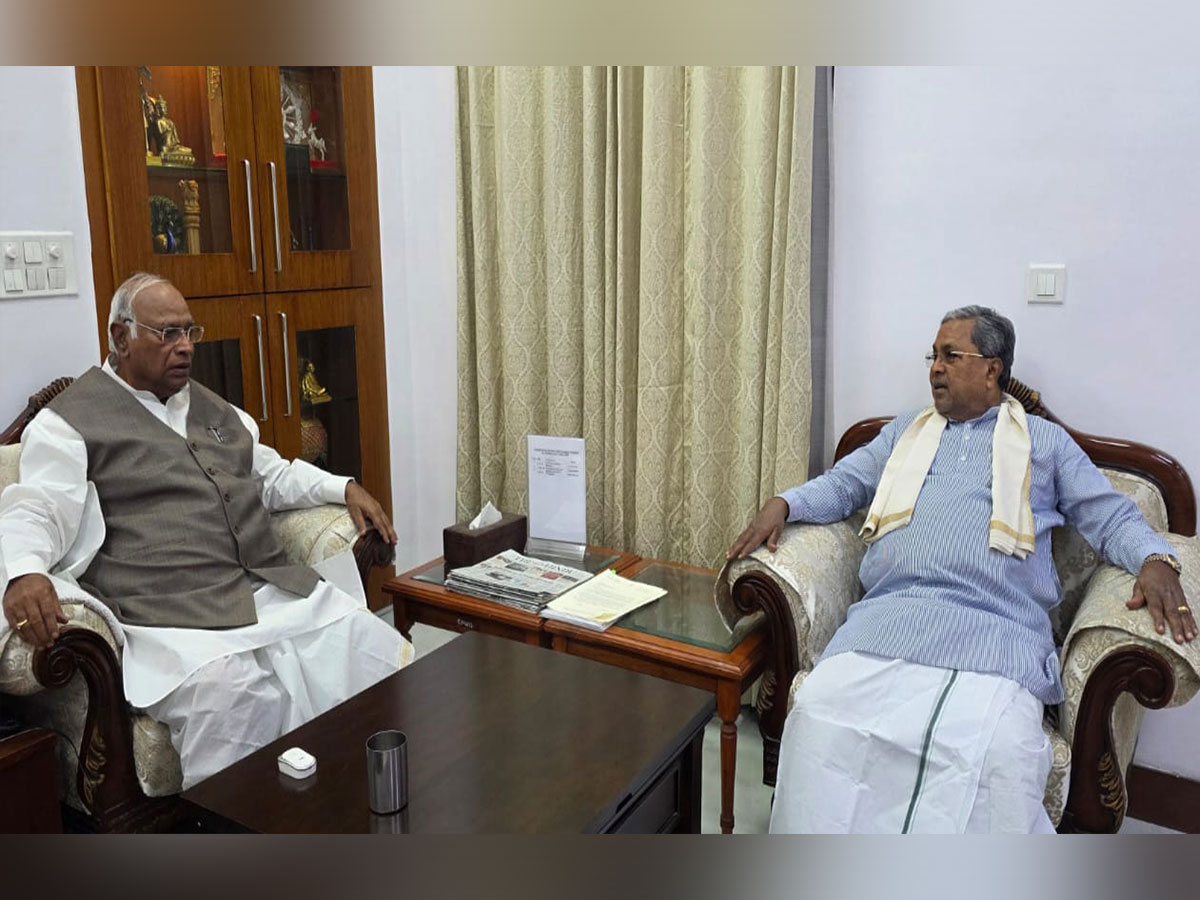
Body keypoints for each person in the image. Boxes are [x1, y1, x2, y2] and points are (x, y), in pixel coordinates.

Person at [727, 305, 1192, 833]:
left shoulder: (1047, 444)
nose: (935, 368)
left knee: (1000, 754)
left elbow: (1107, 516)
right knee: (817, 718)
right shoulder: (905, 432)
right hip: (890, 619)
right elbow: (844, 485)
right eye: (934, 356)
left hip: (996, 634)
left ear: (992, 369)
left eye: (951, 356)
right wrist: (783, 503)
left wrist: (1155, 560)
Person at [0, 272, 414, 789]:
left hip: (260, 592)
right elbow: (37, 507)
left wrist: (343, 487)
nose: (185, 348)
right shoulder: (69, 422)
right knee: (237, 700)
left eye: (189, 332)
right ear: (121, 337)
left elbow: (270, 475)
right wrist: (24, 571)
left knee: (371, 650)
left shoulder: (217, 411)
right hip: (170, 619)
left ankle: (360, 798)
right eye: (167, 333)